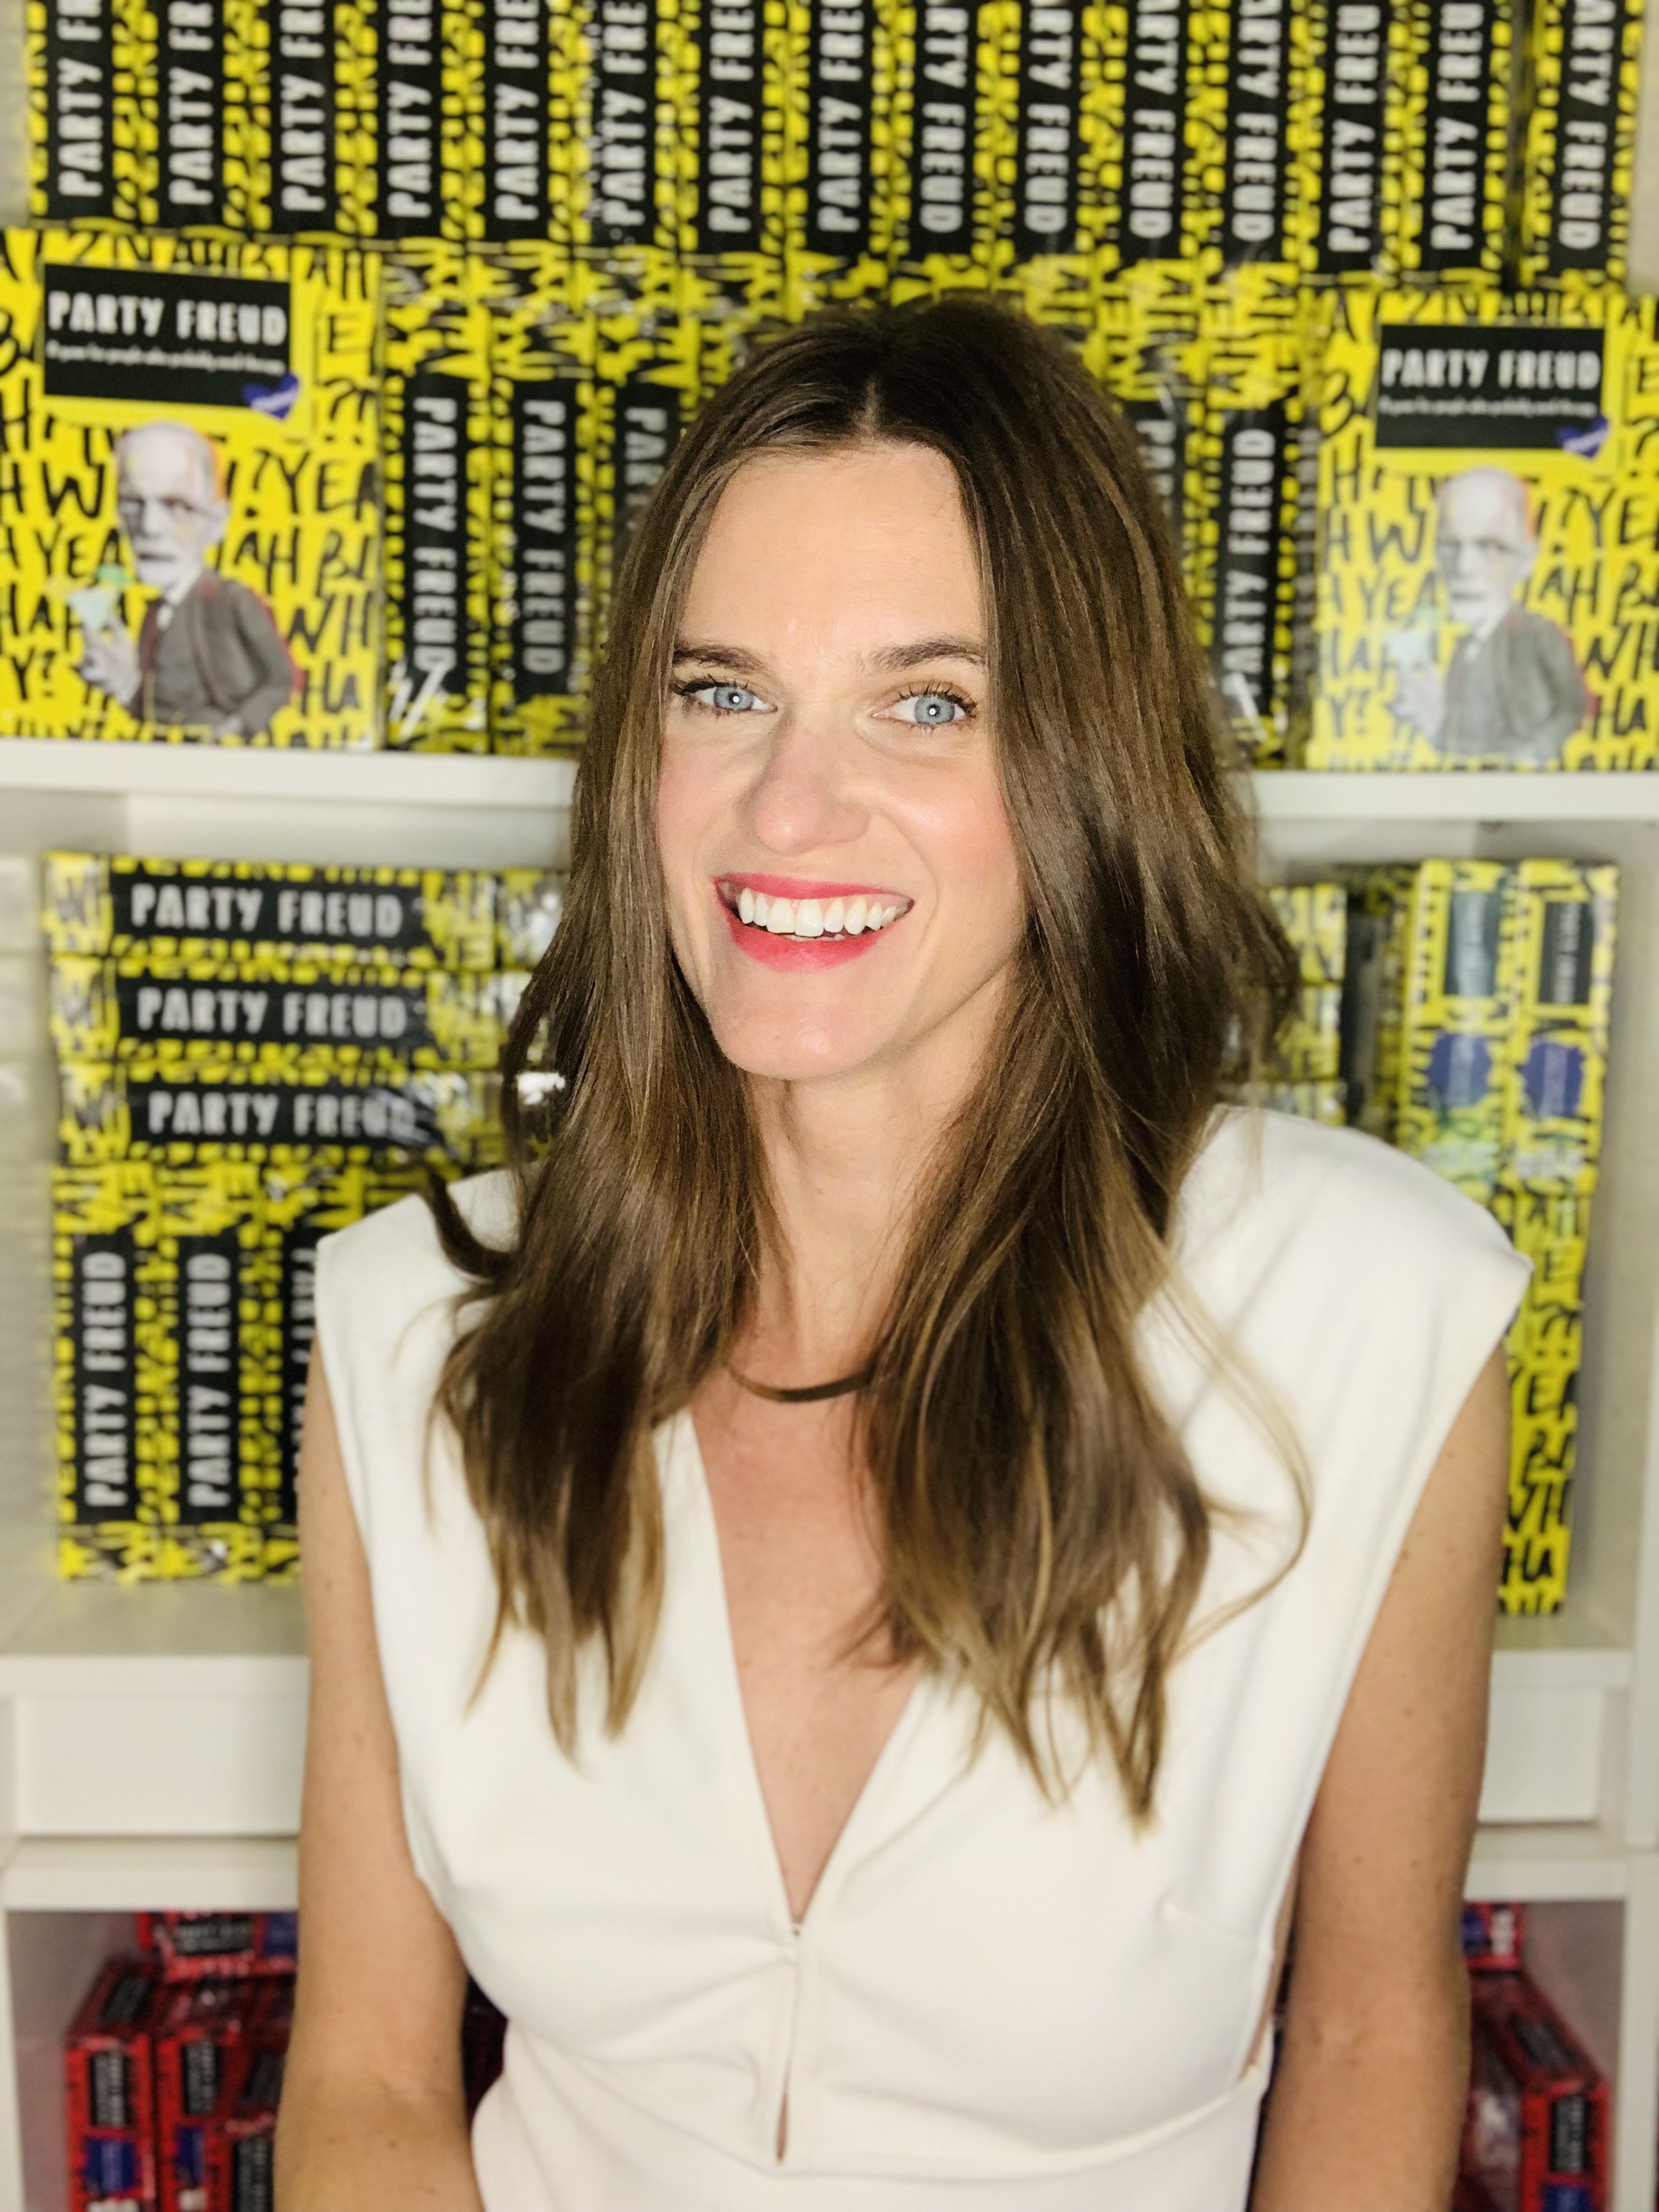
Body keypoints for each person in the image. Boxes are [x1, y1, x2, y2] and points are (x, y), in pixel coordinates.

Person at [276, 302, 1527, 2212]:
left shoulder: (1372, 1321)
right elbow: (366, 2076)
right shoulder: (410, 1340)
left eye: (924, 702)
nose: (787, 807)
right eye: (721, 692)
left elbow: (1367, 2032)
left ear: (1082, 764)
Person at [78, 421, 295, 739]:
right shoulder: (153, 612)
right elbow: (158, 709)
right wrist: (125, 685)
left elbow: (282, 678)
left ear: (217, 522)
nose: (150, 527)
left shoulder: (233, 601)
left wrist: (237, 726)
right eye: (133, 503)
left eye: (178, 506)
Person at [1393, 466, 1590, 765]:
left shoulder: (1536, 635)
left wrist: (1535, 754)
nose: (1464, 567)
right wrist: (1433, 725)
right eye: (1449, 546)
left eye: (1491, 547)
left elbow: (1574, 705)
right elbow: (1465, 745)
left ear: (1526, 560)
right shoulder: (1461, 649)